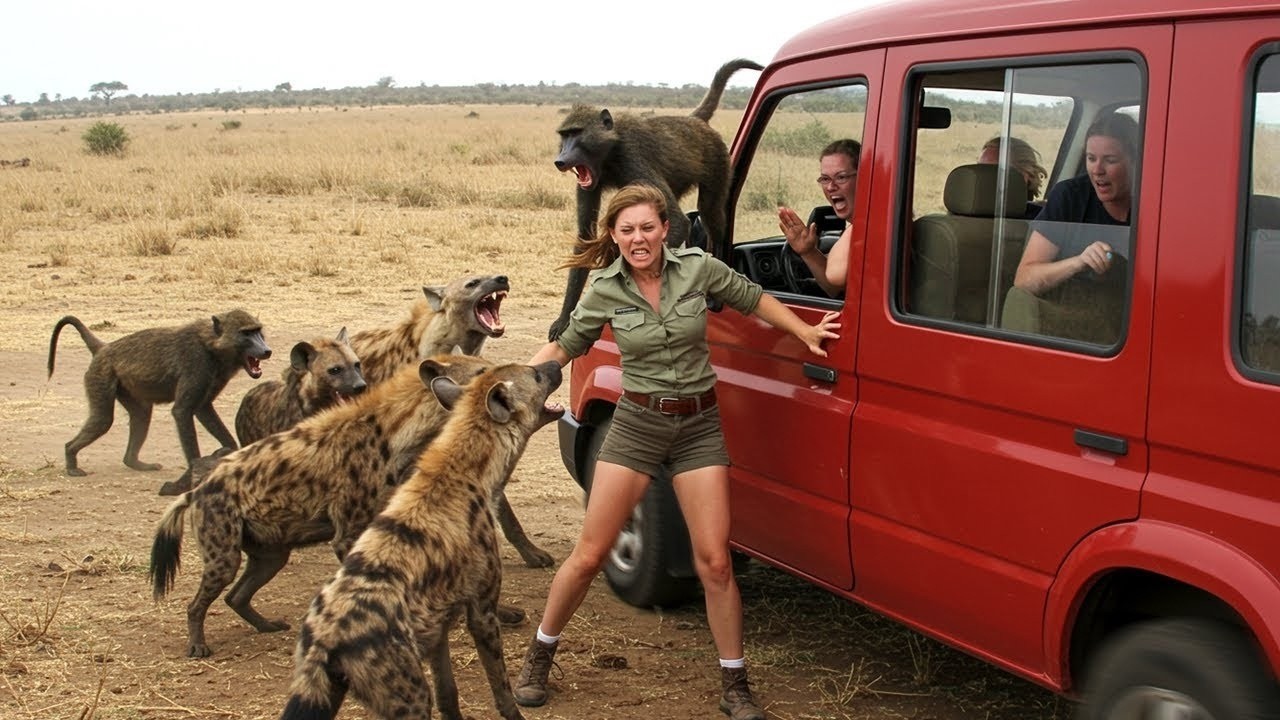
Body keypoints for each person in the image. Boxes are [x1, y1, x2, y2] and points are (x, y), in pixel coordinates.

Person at [515, 182, 841, 720]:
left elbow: (751, 296)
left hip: (697, 428)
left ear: (666, 228)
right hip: (637, 425)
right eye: (627, 230)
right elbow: (568, 342)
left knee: (714, 562)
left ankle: (734, 685)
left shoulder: (697, 268)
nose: (638, 238)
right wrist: (522, 381)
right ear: (614, 237)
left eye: (648, 227)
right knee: (591, 553)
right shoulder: (604, 288)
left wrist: (803, 330)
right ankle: (539, 655)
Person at [1013, 113, 1139, 296]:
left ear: (1136, 162)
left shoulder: (1156, 202)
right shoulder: (1070, 196)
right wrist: (1079, 262)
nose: (1097, 170)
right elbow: (1024, 280)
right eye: (1091, 158)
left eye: (1110, 160)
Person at [776, 138, 862, 297]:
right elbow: (836, 289)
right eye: (825, 179)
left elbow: (835, 275)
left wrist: (860, 223)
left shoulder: (872, 227)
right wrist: (808, 252)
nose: (831, 187)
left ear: (865, 178)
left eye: (841, 177)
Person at [978, 135, 1048, 218]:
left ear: (1026, 174)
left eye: (995, 171)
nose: (982, 177)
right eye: (979, 170)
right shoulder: (966, 214)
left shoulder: (1044, 218)